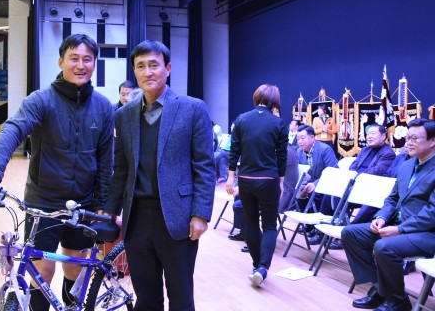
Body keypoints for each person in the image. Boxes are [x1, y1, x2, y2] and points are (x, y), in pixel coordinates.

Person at [0, 34, 114, 311]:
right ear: (61, 62)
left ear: (94, 64)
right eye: (74, 58)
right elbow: (14, 128)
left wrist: (103, 203)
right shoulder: (41, 100)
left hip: (83, 203)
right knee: (42, 270)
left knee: (74, 267)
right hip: (43, 202)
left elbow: (105, 161)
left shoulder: (103, 107)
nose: (80, 65)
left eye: (87, 59)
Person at [104, 40, 215, 311]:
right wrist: (110, 210)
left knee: (181, 297)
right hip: (137, 218)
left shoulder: (192, 108)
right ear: (134, 71)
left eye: (154, 65)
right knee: (146, 298)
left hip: (177, 217)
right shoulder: (124, 114)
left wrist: (200, 214)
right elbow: (122, 168)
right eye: (140, 66)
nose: (147, 72)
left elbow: (204, 165)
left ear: (168, 68)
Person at [341, 118, 435, 311]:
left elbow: (432, 213)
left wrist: (400, 229)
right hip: (397, 225)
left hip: (427, 233)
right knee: (350, 233)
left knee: (384, 247)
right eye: (407, 138)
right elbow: (392, 198)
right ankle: (381, 289)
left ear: (432, 141)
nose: (408, 143)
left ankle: (398, 300)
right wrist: (381, 217)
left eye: (414, 138)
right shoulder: (406, 166)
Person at [225, 83, 288, 287]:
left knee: (251, 223)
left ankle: (256, 266)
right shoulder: (279, 123)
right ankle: (263, 268)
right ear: (274, 102)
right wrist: (280, 181)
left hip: (246, 179)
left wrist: (230, 178)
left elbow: (234, 151)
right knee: (269, 225)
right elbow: (282, 156)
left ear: (256, 97)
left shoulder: (241, 119)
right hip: (268, 180)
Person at [295, 124, 339, 244]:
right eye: (298, 139)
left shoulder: (325, 149)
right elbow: (304, 173)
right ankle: (309, 225)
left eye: (303, 138)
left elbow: (332, 172)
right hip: (312, 183)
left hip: (329, 183)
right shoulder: (299, 152)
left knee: (316, 193)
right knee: (299, 191)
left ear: (313, 137)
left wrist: (315, 184)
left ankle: (319, 229)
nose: (300, 141)